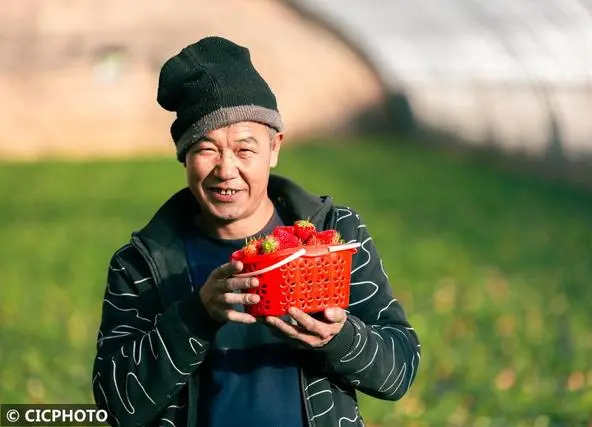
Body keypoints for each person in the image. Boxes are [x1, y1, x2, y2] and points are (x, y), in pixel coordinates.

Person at [91, 36, 421, 427]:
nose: (225, 169)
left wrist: (340, 337)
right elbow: (116, 406)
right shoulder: (143, 264)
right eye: (206, 149)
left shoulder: (332, 237)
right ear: (183, 155)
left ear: (274, 147)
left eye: (245, 149)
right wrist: (197, 316)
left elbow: (399, 370)